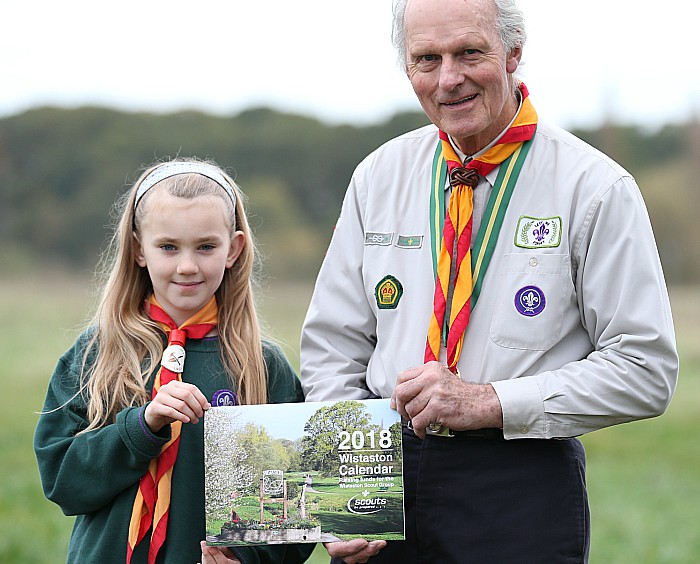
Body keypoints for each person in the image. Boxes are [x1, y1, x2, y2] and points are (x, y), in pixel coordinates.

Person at [300, 0, 679, 562]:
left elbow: (645, 369)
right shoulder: (378, 176)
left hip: (520, 486)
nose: (448, 78)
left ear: (513, 54)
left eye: (469, 53)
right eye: (427, 59)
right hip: (381, 474)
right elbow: (332, 348)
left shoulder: (595, 187)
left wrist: (490, 402)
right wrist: (345, 489)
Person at [34, 159, 315, 564]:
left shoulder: (262, 366)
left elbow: (297, 506)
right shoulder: (96, 353)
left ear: (233, 249)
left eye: (206, 246)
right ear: (138, 249)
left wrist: (248, 560)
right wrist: (140, 427)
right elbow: (62, 481)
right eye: (168, 247)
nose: (187, 265)